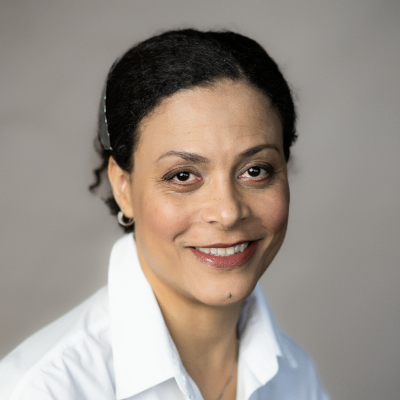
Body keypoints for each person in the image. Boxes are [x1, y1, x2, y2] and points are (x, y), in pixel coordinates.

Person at [0, 29, 330, 400]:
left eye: (255, 170)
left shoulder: (295, 376)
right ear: (123, 188)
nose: (227, 212)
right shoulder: (41, 390)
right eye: (183, 176)